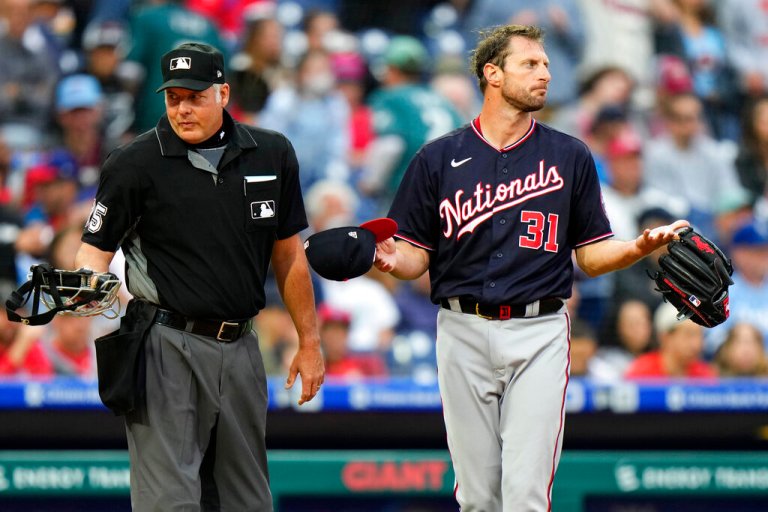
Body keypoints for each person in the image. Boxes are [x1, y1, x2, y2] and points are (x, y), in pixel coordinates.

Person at [372, 24, 689, 511]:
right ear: (492, 74)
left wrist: (635, 248)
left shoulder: (569, 155)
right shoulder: (438, 157)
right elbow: (414, 257)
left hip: (539, 330)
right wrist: (391, 259)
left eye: (545, 63)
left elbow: (590, 253)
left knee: (524, 496)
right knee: (477, 498)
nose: (545, 73)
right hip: (461, 328)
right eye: (530, 64)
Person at [73, 42, 324, 510]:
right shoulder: (134, 163)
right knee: (169, 501)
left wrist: (309, 342)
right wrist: (86, 287)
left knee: (247, 500)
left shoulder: (271, 153)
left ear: (223, 93)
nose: (183, 109)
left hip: (242, 344)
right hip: (165, 343)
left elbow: (289, 255)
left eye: (195, 97)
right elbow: (93, 251)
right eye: (173, 98)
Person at [624, 302, 717, 379]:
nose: (697, 344)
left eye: (700, 336)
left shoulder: (704, 376)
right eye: (688, 335)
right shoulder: (641, 373)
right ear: (665, 337)